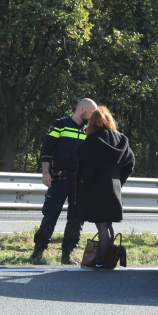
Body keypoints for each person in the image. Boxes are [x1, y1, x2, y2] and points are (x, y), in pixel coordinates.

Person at [30, 98, 98, 265]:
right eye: (92, 113)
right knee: (50, 215)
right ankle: (38, 252)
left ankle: (67, 254)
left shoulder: (90, 130)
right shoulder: (60, 124)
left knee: (76, 219)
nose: (93, 117)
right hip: (59, 178)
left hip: (79, 182)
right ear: (82, 110)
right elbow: (47, 149)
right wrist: (45, 173)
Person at [75, 106, 134, 270]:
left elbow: (88, 169)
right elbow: (130, 163)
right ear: (109, 121)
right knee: (108, 224)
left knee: (101, 225)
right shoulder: (121, 140)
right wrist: (118, 180)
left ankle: (102, 261)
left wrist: (83, 186)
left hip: (96, 188)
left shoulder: (92, 141)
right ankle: (108, 260)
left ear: (92, 123)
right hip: (113, 187)